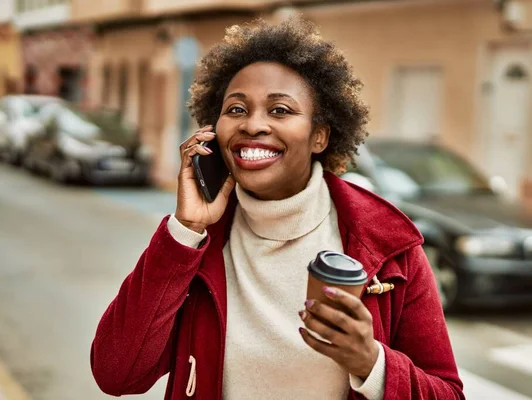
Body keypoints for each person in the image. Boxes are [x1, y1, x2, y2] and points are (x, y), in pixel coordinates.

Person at [90, 17, 464, 400]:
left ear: (319, 136)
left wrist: (372, 364)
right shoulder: (197, 243)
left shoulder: (389, 245)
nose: (253, 125)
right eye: (235, 109)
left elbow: (448, 393)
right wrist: (184, 231)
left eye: (280, 111)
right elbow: (117, 373)